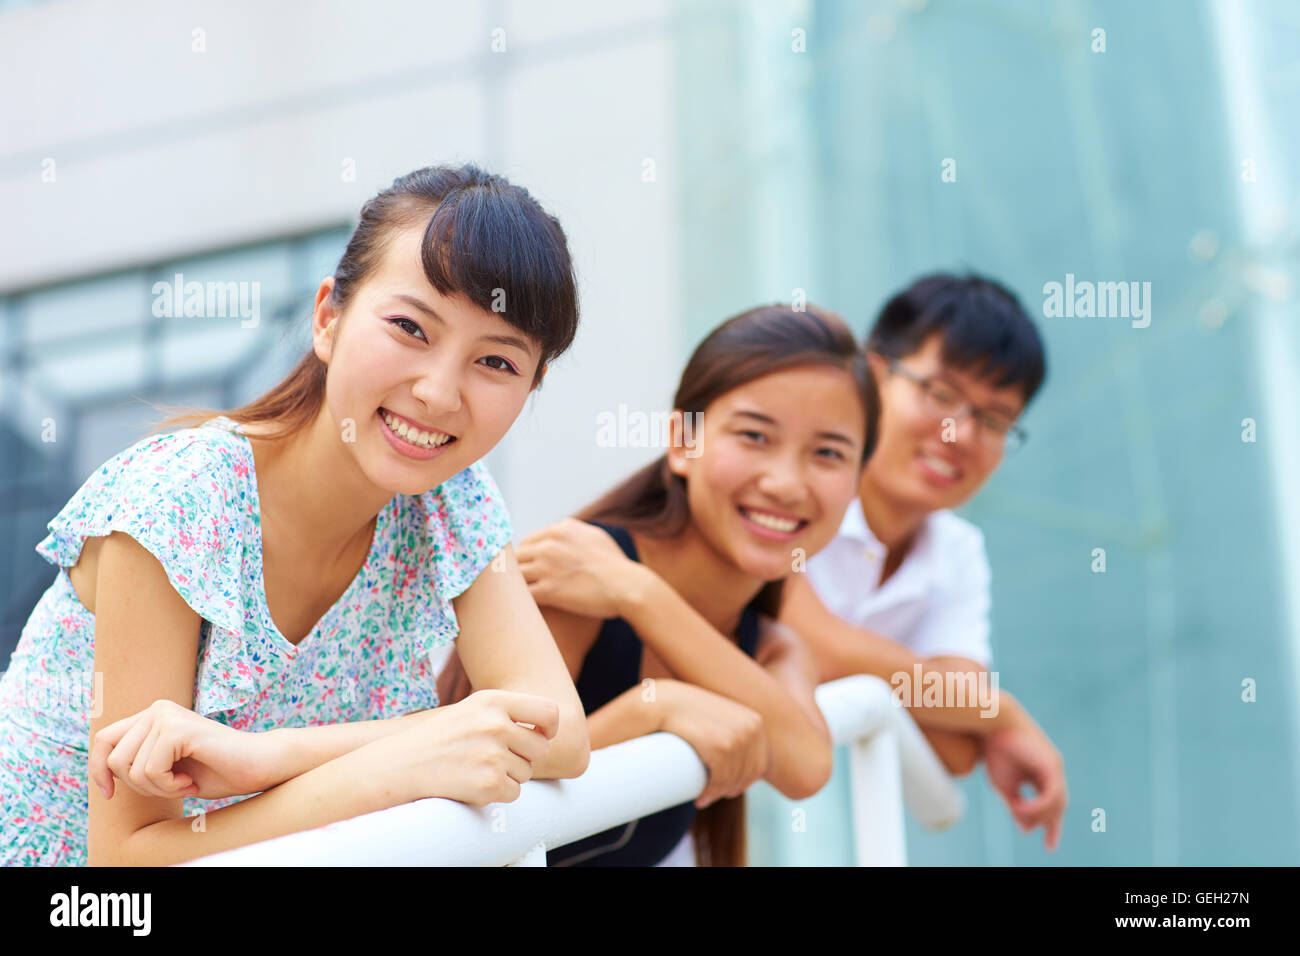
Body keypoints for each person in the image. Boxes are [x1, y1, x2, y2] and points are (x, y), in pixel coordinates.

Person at [0, 163, 591, 866]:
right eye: (410, 327)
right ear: (328, 320)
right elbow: (128, 861)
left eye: (495, 363)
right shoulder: (180, 499)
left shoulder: (450, 503)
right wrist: (397, 763)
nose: (437, 393)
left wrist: (269, 757)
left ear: (532, 386)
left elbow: (560, 735)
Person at [442, 303, 881, 865]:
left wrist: (640, 595)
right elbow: (480, 789)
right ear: (682, 442)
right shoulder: (575, 579)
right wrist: (653, 710)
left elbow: (806, 765)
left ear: (856, 482)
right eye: (754, 435)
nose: (784, 482)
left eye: (827, 453)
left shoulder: (770, 642)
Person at [775, 272, 1068, 853]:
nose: (959, 434)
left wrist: (973, 713)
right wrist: (1004, 714)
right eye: (939, 394)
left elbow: (955, 748)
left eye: (994, 420)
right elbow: (814, 643)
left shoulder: (957, 551)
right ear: (874, 374)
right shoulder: (794, 474)